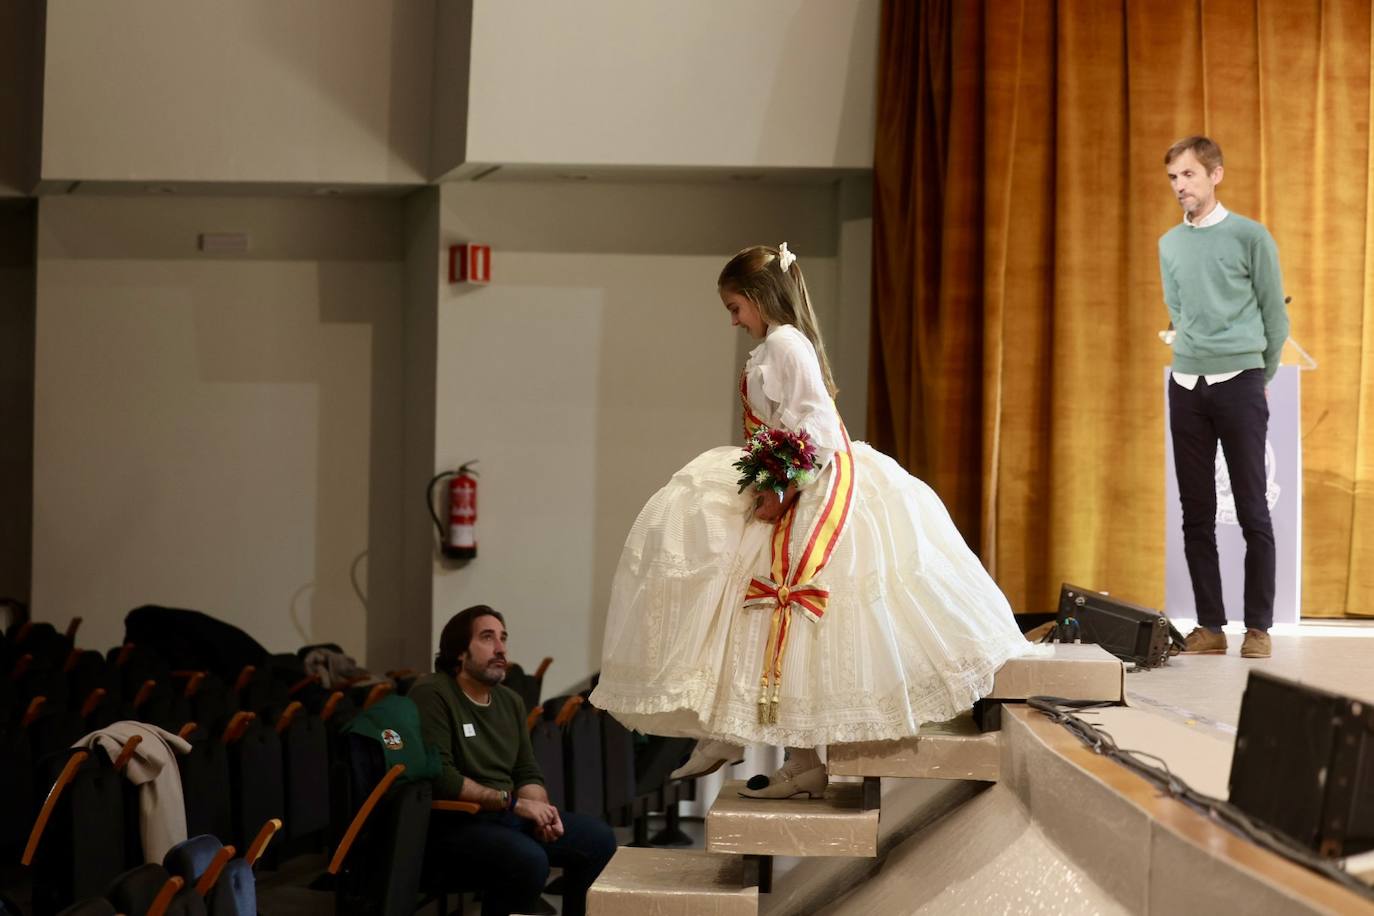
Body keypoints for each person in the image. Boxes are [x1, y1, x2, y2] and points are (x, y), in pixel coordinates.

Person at [589, 244, 1041, 800]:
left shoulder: (784, 344)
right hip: (782, 479)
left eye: (735, 307)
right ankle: (751, 738)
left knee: (779, 605)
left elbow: (819, 431)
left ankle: (756, 741)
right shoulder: (777, 346)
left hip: (810, 488)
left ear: (758, 297)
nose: (734, 321)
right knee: (748, 603)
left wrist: (779, 489)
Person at [1161, 136, 1289, 660]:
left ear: (1215, 175)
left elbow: (1274, 318)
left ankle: (1257, 628)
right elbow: (1178, 309)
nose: (1179, 187)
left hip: (1240, 381)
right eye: (1173, 178)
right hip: (1187, 385)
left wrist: (1260, 375)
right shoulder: (1169, 243)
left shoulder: (1250, 237)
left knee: (1253, 509)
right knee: (1196, 513)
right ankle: (1210, 627)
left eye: (1188, 175)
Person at [410, 604, 617, 916]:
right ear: (459, 651)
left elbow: (526, 770)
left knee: (599, 839)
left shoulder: (510, 700)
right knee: (528, 860)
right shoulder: (433, 692)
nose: (500, 648)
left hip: (506, 816)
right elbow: (443, 776)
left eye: (503, 638)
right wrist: (515, 804)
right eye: (487, 637)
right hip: (455, 822)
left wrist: (542, 813)